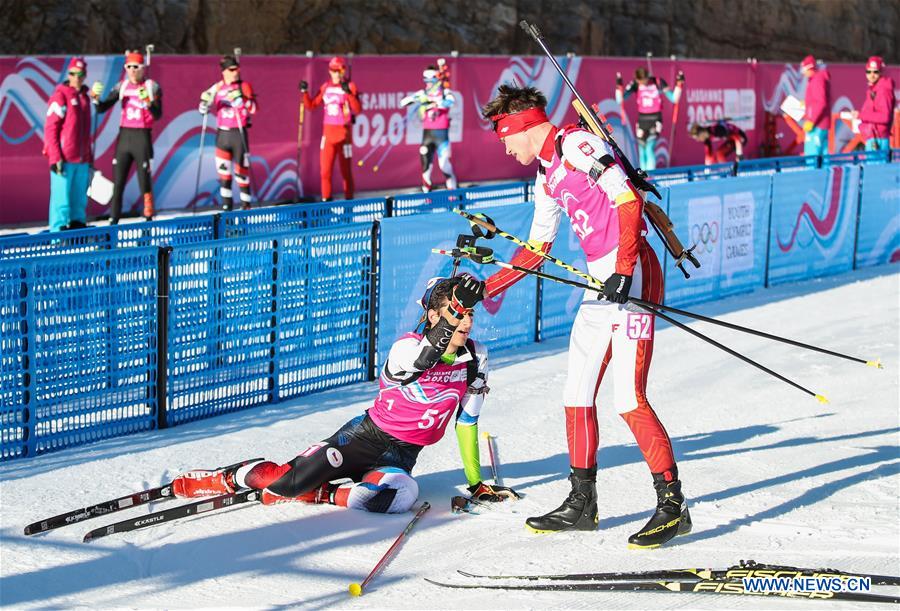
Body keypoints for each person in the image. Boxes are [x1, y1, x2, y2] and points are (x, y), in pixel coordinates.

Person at [480, 84, 690, 548]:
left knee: (627, 398)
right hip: (602, 281)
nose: (506, 148)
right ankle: (582, 503)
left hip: (630, 272)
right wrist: (485, 287)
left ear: (524, 126)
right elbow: (536, 250)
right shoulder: (544, 176)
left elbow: (628, 202)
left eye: (505, 138)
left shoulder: (575, 144)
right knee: (576, 392)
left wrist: (623, 269)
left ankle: (673, 506)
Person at [170, 275, 519, 513]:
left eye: (470, 314)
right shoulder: (406, 347)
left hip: (401, 455)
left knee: (401, 496)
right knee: (287, 484)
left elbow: (467, 421)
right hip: (363, 438)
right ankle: (224, 478)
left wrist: (476, 485)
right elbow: (424, 359)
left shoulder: (477, 357)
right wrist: (453, 310)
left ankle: (323, 492)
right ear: (433, 316)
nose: (466, 323)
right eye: (457, 314)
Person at [91, 50, 162, 223]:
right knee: (118, 182)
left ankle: (148, 220)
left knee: (144, 182)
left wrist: (148, 102)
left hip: (142, 137)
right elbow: (102, 108)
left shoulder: (151, 87)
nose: (132, 70)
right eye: (128, 67)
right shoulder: (122, 86)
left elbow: (158, 114)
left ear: (142, 68)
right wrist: (95, 98)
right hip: (125, 136)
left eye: (135, 67)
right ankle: (113, 221)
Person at [198, 55, 258, 211]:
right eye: (231, 70)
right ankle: (227, 211)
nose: (235, 72)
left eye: (237, 69)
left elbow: (254, 108)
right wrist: (203, 107)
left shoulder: (244, 86)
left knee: (242, 175)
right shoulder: (217, 87)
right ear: (224, 71)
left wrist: (241, 101)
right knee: (224, 176)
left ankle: (246, 209)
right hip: (223, 136)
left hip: (238, 134)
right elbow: (205, 100)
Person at [300, 56, 361, 201]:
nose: (337, 74)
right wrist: (304, 92)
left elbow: (357, 110)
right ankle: (326, 203)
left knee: (346, 172)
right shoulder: (326, 86)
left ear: (344, 70)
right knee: (325, 172)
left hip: (344, 135)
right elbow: (311, 105)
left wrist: (350, 95)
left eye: (340, 70)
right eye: (334, 70)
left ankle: (349, 204)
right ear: (330, 71)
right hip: (328, 135)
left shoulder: (350, 86)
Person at [43, 57, 93, 231]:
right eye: (73, 73)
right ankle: (58, 235)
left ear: (85, 75)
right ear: (68, 74)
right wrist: (55, 156)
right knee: (61, 200)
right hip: (63, 158)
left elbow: (86, 132)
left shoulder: (85, 98)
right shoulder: (60, 95)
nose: (76, 77)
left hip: (82, 159)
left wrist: (89, 157)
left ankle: (77, 230)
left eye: (80, 74)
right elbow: (51, 128)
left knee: (79, 200)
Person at [400, 62, 458, 192]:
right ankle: (427, 197)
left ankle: (454, 195)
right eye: (425, 80)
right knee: (425, 168)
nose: (428, 84)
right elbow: (403, 102)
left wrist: (435, 102)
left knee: (445, 166)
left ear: (437, 79)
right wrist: (417, 99)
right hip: (427, 135)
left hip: (441, 136)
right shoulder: (423, 93)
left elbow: (451, 102)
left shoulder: (445, 92)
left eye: (430, 80)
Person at [615, 67, 683, 171]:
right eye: (639, 81)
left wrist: (679, 85)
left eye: (643, 80)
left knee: (650, 147)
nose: (642, 83)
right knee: (642, 149)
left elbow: (674, 98)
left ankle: (651, 175)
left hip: (655, 120)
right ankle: (644, 178)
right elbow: (620, 100)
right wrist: (618, 86)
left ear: (647, 77)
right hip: (642, 121)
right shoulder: (635, 84)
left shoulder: (658, 82)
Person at [854, 56, 895, 152]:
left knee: (876, 166)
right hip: (872, 136)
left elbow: (885, 117)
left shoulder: (884, 90)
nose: (872, 75)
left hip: (878, 139)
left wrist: (860, 115)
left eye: (875, 72)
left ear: (880, 72)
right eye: (869, 72)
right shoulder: (873, 89)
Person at [800, 55, 831, 156]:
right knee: (822, 156)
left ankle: (813, 172)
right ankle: (823, 172)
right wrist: (807, 104)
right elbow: (817, 101)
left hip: (817, 125)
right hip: (821, 124)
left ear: (809, 68)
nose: (803, 72)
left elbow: (820, 102)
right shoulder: (816, 79)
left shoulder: (817, 80)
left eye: (803, 69)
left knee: (812, 156)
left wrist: (811, 121)